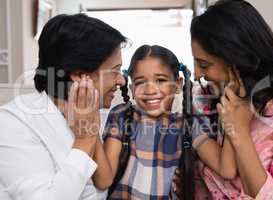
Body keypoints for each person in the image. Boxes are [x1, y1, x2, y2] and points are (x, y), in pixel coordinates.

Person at [0, 13, 126, 200]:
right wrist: (84, 140)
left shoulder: (85, 111)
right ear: (79, 74)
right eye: (115, 70)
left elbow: (103, 182)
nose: (122, 80)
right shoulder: (12, 122)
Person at [190, 0, 273, 199]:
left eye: (204, 65)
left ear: (236, 59)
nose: (197, 74)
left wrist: (239, 131)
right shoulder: (213, 101)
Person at [96, 45, 237, 199]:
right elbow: (104, 180)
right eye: (140, 82)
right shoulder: (122, 115)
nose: (150, 90)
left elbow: (226, 169)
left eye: (160, 80)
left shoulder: (188, 126)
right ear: (132, 87)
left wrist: (234, 119)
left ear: (178, 84)